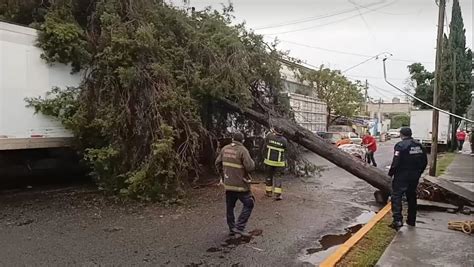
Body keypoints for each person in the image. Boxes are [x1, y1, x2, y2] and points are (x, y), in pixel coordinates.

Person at [215, 132, 255, 237]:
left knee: (230, 206)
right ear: (242, 140)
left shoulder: (225, 149)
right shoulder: (242, 150)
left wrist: (223, 175)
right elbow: (250, 167)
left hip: (228, 184)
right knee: (249, 203)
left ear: (233, 139)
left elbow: (217, 163)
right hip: (241, 185)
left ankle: (232, 228)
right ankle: (239, 227)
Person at [388, 127, 428, 230]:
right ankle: (411, 220)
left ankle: (397, 220)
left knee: (396, 196)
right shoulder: (419, 145)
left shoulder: (400, 145)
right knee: (411, 196)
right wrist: (419, 172)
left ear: (401, 135)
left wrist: (390, 173)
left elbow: (396, 162)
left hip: (402, 175)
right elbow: (424, 161)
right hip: (414, 176)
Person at [263, 128, 288, 200]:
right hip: (279, 163)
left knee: (268, 176)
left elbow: (264, 147)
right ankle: (277, 194)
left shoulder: (269, 136)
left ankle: (268, 192)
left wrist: (264, 156)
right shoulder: (284, 140)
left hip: (268, 161)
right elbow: (286, 151)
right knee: (278, 177)